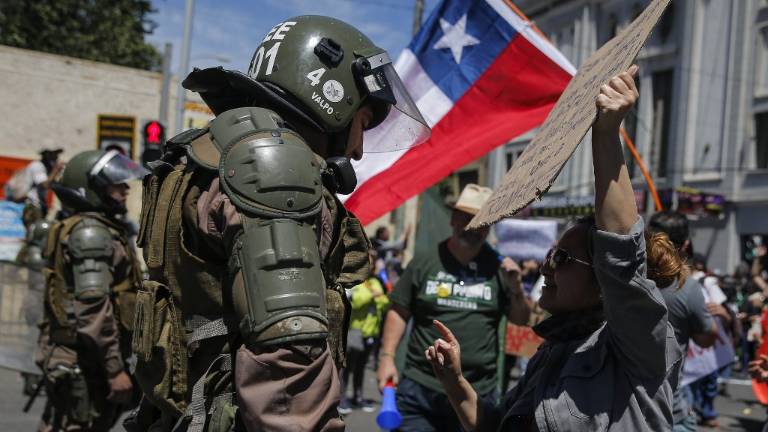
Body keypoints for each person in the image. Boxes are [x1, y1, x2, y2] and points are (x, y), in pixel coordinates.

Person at [129, 15, 430, 432]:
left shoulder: (212, 151)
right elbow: (288, 380)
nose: (358, 151)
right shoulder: (273, 169)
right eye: (362, 123)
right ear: (332, 96)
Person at [424, 65, 683, 431]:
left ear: (602, 281)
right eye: (549, 255)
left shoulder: (635, 346)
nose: (545, 268)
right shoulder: (550, 351)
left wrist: (606, 133)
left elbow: (621, 254)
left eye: (561, 259)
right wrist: (455, 382)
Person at [376, 183, 531, 432]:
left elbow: (521, 320)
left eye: (482, 221)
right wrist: (387, 358)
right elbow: (399, 311)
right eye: (467, 218)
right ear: (454, 219)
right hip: (421, 389)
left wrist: (516, 287)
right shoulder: (425, 261)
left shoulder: (500, 268)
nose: (474, 227)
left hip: (476, 393)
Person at [35, 149, 146, 431]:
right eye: (115, 183)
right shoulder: (91, 234)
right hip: (85, 361)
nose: (125, 189)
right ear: (91, 189)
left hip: (84, 357)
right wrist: (114, 370)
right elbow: (93, 308)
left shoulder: (97, 228)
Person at [646, 210, 718, 431]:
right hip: (668, 411)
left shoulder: (626, 277)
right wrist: (713, 317)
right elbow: (706, 338)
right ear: (685, 245)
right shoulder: (686, 287)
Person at [339, 250, 390, 414]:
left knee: (361, 367)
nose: (370, 265)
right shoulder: (354, 281)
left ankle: (358, 397)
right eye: (367, 261)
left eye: (372, 262)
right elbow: (356, 302)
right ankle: (342, 399)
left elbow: (385, 302)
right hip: (355, 331)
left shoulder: (374, 281)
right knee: (347, 367)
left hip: (371, 333)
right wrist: (373, 296)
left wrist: (377, 296)